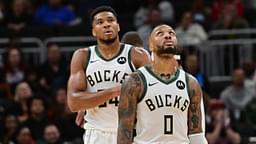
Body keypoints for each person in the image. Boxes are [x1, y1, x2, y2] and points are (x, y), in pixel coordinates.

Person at [67, 6, 150, 144]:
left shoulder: (138, 55)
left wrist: (89, 100)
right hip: (97, 133)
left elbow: (152, 93)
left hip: (132, 132)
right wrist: (114, 91)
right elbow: (74, 103)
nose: (106, 24)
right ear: (93, 31)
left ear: (118, 26)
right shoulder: (83, 56)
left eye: (110, 20)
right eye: (100, 22)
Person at [117, 24, 208, 144]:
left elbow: (196, 134)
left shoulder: (191, 83)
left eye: (171, 34)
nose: (167, 36)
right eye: (160, 33)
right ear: (150, 46)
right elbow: (125, 130)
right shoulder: (134, 81)